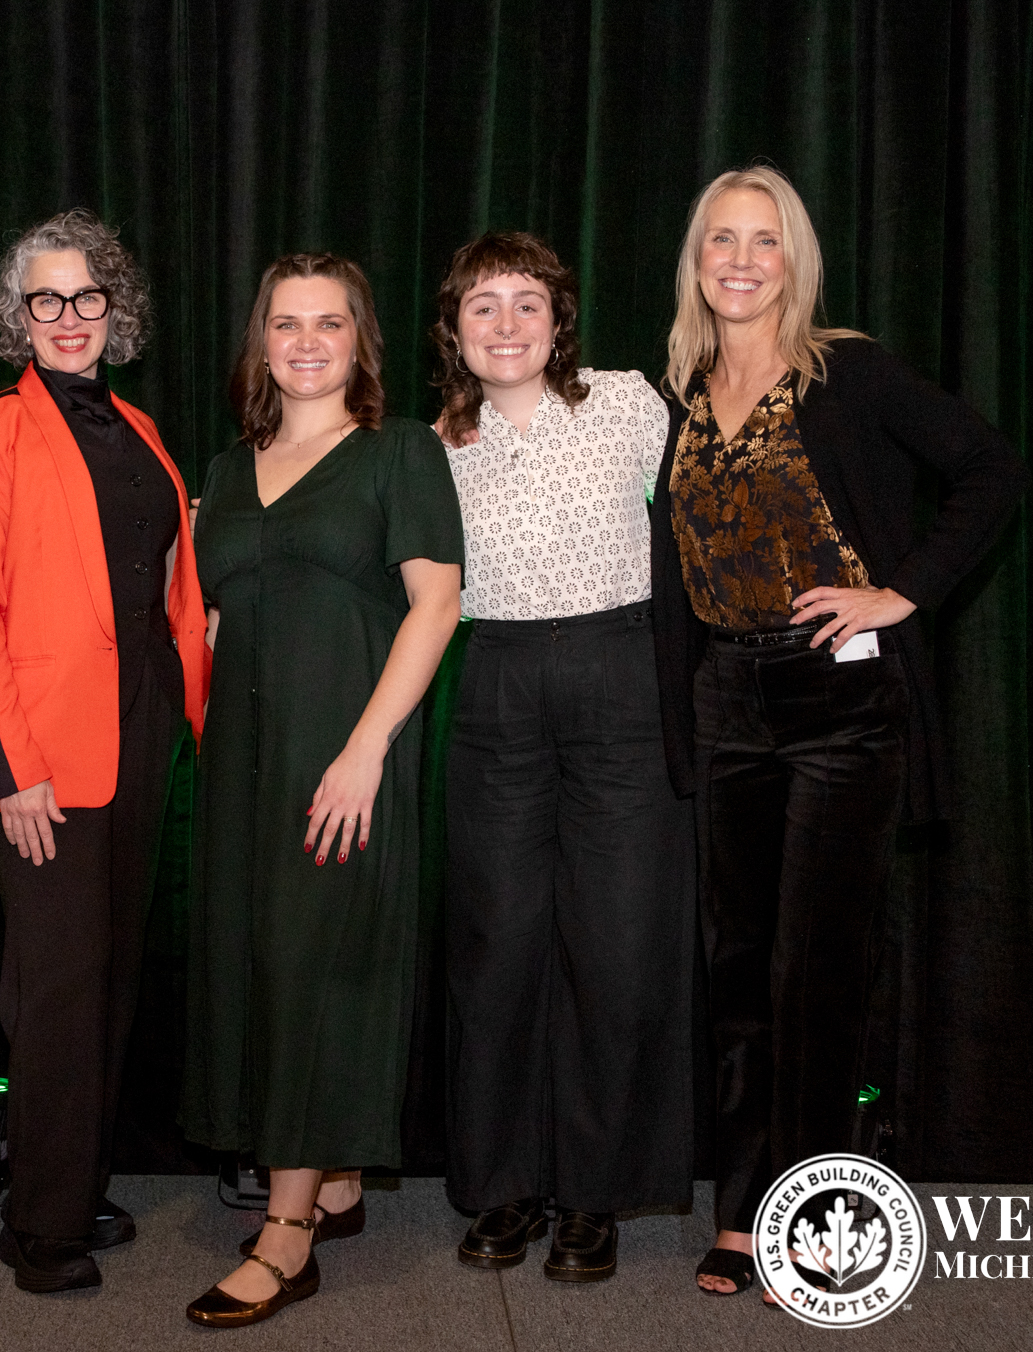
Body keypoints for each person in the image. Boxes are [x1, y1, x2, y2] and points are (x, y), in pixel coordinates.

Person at [649, 166, 1026, 1298]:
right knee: (735, 972)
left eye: (764, 240)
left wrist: (900, 590)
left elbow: (990, 469)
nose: (741, 260)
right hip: (727, 699)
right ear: (695, 259)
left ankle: (804, 1217)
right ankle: (740, 1209)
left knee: (812, 975)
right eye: (722, 239)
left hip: (840, 705)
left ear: (794, 260)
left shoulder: (845, 371)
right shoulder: (677, 389)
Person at [181, 253, 464, 1328]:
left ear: (360, 342)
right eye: (286, 324)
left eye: (328, 323)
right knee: (259, 964)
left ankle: (287, 1233)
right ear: (261, 343)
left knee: (309, 968)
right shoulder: (226, 467)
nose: (306, 342)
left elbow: (435, 604)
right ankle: (332, 1180)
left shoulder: (398, 453)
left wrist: (365, 748)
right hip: (240, 768)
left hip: (341, 757)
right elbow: (215, 619)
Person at [0, 208, 209, 1295]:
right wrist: (7, 769)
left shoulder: (139, 428)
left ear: (113, 308)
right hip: (39, 748)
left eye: (85, 295)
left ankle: (76, 1177)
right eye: (43, 298)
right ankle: (39, 1225)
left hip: (140, 725)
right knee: (56, 983)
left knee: (112, 972)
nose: (66, 315)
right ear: (17, 315)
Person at [434, 232, 695, 1283]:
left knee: (618, 947)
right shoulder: (432, 446)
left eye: (526, 303)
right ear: (453, 331)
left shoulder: (627, 403)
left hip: (620, 681)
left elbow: (712, 505)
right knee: (497, 947)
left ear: (558, 322)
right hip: (495, 686)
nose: (506, 324)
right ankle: (502, 1185)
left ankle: (593, 1193)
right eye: (482, 306)